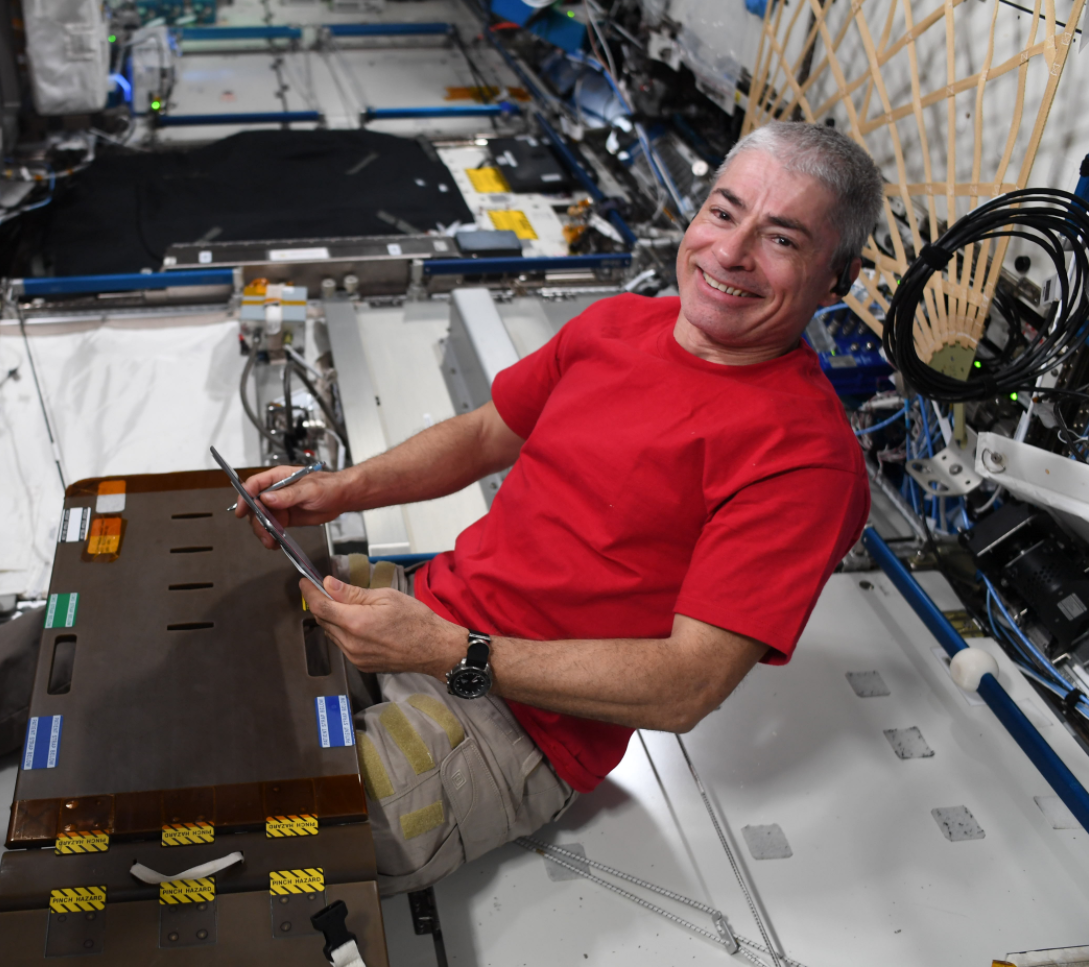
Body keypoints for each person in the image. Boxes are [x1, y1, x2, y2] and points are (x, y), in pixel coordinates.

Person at [234, 120, 881, 895]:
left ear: (836, 279)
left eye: (781, 239)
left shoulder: (805, 459)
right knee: (208, 677)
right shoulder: (617, 324)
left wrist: (449, 650)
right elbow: (484, 435)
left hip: (511, 726)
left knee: (242, 842)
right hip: (430, 610)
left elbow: (686, 685)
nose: (730, 253)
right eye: (722, 211)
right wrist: (337, 488)